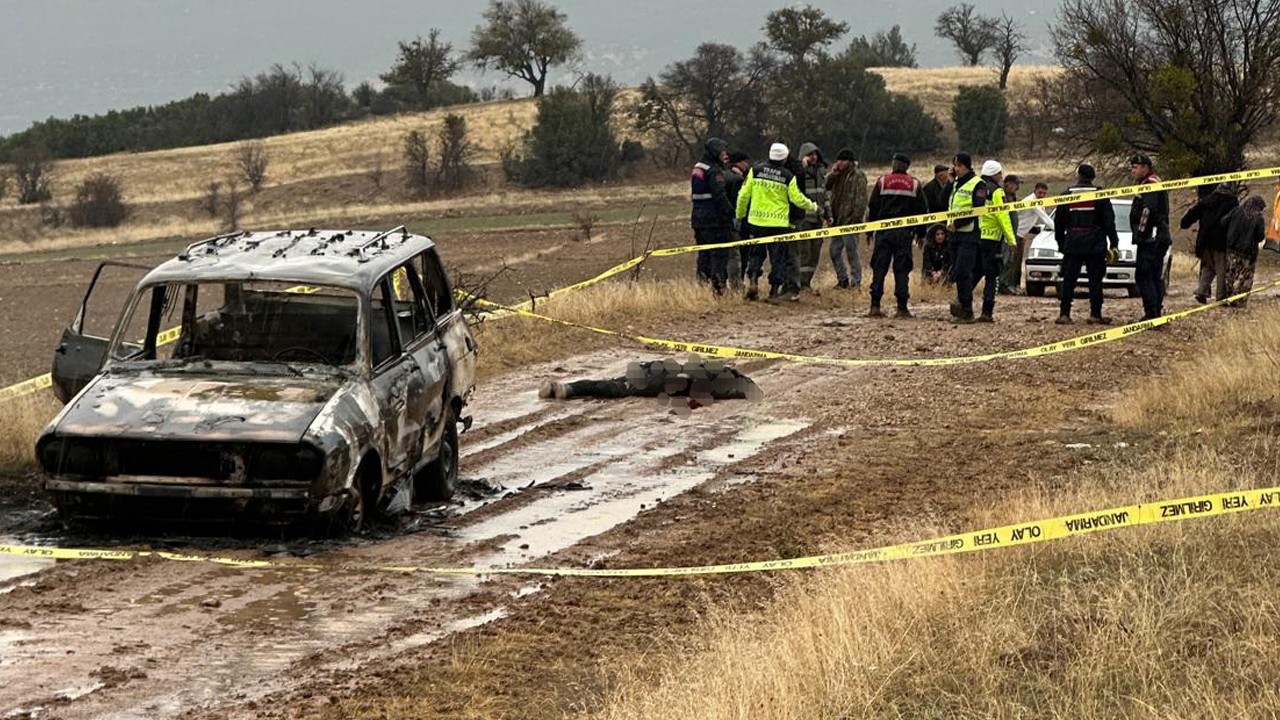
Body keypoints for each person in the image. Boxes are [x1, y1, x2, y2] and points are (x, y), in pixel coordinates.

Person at [736, 142, 819, 301]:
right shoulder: (788, 176)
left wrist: (740, 214)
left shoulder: (755, 170)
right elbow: (797, 199)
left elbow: (743, 195)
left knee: (756, 254)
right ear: (784, 158)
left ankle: (753, 280)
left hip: (757, 222)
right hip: (778, 224)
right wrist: (814, 207)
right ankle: (774, 291)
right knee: (777, 258)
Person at [538, 358, 763, 407]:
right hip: (656, 375)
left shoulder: (715, 385)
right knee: (615, 387)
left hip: (653, 377)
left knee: (613, 386)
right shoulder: (710, 376)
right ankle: (566, 388)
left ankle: (567, 388)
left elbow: (750, 389)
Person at [1053, 163, 1120, 324]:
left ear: (1079, 176)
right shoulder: (1101, 195)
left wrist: (1061, 244)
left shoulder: (1066, 195)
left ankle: (1064, 313)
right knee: (1095, 280)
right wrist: (1114, 243)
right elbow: (1109, 222)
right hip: (1095, 243)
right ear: (1092, 177)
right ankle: (1095, 314)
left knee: (1069, 280)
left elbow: (1058, 223)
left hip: (1073, 242)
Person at [865, 152, 929, 318]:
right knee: (902, 270)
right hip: (904, 233)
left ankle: (875, 306)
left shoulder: (882, 181)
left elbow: (872, 207)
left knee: (879, 268)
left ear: (894, 164)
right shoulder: (914, 184)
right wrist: (921, 234)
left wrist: (869, 231)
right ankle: (902, 308)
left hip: (883, 232)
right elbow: (922, 211)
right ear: (907, 166)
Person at [1128, 155, 1171, 320]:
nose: (1132, 170)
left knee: (1145, 275)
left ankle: (1152, 312)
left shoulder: (1151, 184)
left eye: (1135, 167)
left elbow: (1148, 211)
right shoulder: (1150, 182)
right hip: (1155, 236)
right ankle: (1154, 311)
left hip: (1151, 238)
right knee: (1152, 275)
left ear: (1145, 167)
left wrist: (1140, 233)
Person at [1181, 183, 1239, 303]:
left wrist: (1184, 223)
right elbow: (1234, 221)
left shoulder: (1207, 200)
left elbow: (1192, 214)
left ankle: (1202, 292)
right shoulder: (1232, 202)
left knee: (1208, 267)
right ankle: (1221, 297)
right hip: (1221, 241)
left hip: (1204, 240)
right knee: (1222, 269)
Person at [689, 137, 734, 293]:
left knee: (704, 253)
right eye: (722, 151)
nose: (725, 154)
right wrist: (731, 213)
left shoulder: (698, 167)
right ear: (715, 152)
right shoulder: (714, 171)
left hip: (698, 218)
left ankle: (702, 286)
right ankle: (719, 288)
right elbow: (720, 196)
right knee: (719, 254)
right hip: (714, 220)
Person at [948, 152, 988, 323]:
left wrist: (957, 223)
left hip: (969, 234)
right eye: (955, 165)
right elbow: (944, 201)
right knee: (957, 273)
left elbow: (977, 210)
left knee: (963, 272)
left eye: (959, 166)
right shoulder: (956, 184)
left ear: (967, 166)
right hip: (954, 235)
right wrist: (950, 183)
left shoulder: (978, 184)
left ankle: (967, 311)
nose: (956, 169)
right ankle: (962, 307)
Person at [825, 147, 868, 290]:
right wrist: (833, 173)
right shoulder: (837, 174)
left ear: (849, 161)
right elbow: (825, 185)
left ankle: (856, 282)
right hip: (837, 220)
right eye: (838, 160)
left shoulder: (858, 176)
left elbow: (861, 200)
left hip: (850, 221)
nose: (840, 163)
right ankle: (842, 280)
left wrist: (855, 219)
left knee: (852, 252)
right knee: (834, 251)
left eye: (843, 160)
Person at [791, 142, 831, 294]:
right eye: (810, 154)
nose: (813, 157)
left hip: (818, 219)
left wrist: (828, 214)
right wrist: (802, 167)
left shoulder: (821, 171)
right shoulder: (798, 172)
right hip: (804, 219)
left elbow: (824, 195)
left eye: (815, 154)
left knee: (815, 253)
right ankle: (800, 284)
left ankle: (807, 283)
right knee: (804, 253)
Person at [1220, 194, 1267, 307]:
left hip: (1232, 250)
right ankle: (1239, 301)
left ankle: (1228, 297)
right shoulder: (1258, 217)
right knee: (1245, 278)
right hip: (1248, 253)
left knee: (1230, 275)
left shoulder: (1236, 210)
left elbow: (1223, 222)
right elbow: (1260, 237)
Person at [725, 150, 752, 287]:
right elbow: (739, 201)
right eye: (744, 162)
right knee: (741, 254)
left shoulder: (724, 175)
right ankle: (738, 282)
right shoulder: (738, 180)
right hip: (740, 221)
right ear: (738, 163)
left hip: (727, 221)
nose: (747, 164)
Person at [996, 174, 1023, 294]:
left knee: (1010, 260)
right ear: (1009, 184)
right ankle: (1000, 284)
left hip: (1012, 233)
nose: (1017, 187)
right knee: (1004, 259)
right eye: (1016, 185)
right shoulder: (1002, 196)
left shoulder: (1012, 197)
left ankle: (1005, 283)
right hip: (1005, 234)